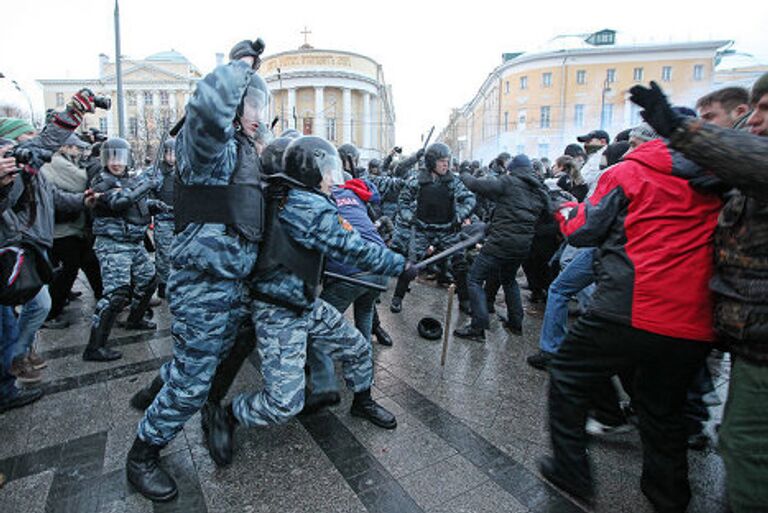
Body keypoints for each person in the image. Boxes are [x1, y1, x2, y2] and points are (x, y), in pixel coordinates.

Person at [541, 128, 723, 510]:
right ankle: (669, 496)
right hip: (693, 318)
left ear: (640, 144)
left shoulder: (628, 172)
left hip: (631, 305)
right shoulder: (715, 177)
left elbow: (582, 230)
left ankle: (570, 470)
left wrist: (564, 209)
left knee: (569, 373)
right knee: (662, 408)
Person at [206, 136, 414, 468]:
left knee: (358, 348)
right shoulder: (305, 205)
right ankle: (229, 415)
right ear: (309, 173)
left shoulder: (298, 197)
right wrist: (397, 264)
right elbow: (352, 247)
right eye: (328, 172)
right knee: (283, 404)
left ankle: (362, 401)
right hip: (279, 311)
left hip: (302, 302)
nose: (335, 179)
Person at [126, 39, 270, 503]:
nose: (257, 114)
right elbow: (207, 111)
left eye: (260, 105)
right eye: (251, 104)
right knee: (192, 382)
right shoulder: (208, 146)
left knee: (205, 361)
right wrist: (239, 69)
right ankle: (143, 453)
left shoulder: (246, 151)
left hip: (234, 284)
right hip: (204, 284)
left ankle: (164, 387)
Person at [629, 75, 768, 513]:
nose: (755, 118)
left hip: (755, 333)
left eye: (763, 109)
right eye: (754, 108)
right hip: (741, 327)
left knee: (744, 443)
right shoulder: (734, 170)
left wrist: (681, 128)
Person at [304, 176, 392, 411]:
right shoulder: (354, 194)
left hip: (352, 272)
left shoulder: (316, 200)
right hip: (380, 266)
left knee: (317, 327)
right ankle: (363, 394)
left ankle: (323, 387)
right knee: (364, 317)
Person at [453, 154, 547, 341]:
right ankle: (515, 322)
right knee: (509, 279)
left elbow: (476, 185)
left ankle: (477, 328)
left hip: (501, 243)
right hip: (523, 246)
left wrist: (463, 173)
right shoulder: (539, 190)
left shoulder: (509, 182)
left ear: (513, 169)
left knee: (474, 280)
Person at [85, 137, 162, 362]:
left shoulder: (126, 179)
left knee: (149, 280)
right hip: (113, 244)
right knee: (116, 295)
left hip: (133, 243)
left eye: (120, 157)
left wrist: (153, 205)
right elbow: (118, 202)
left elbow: (134, 203)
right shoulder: (101, 181)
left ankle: (135, 320)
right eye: (112, 157)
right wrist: (147, 184)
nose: (116, 162)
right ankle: (94, 346)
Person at [389, 142, 475, 314]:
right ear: (431, 162)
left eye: (447, 160)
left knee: (460, 265)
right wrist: (409, 218)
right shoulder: (417, 180)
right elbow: (403, 201)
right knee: (411, 264)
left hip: (447, 229)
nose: (446, 164)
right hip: (422, 229)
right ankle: (397, 298)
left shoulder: (453, 181)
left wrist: (459, 215)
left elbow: (470, 199)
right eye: (442, 161)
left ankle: (465, 301)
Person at [41, 134, 102, 328]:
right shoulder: (57, 162)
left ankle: (104, 299)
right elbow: (80, 181)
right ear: (65, 147)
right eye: (76, 148)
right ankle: (50, 313)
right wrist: (97, 165)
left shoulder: (58, 160)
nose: (79, 151)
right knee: (69, 269)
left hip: (70, 228)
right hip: (64, 230)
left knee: (88, 262)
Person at [149, 138, 176, 299]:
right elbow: (148, 191)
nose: (172, 157)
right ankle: (163, 285)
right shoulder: (157, 171)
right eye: (169, 153)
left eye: (175, 153)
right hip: (163, 219)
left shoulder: (183, 170)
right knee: (164, 255)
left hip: (179, 219)